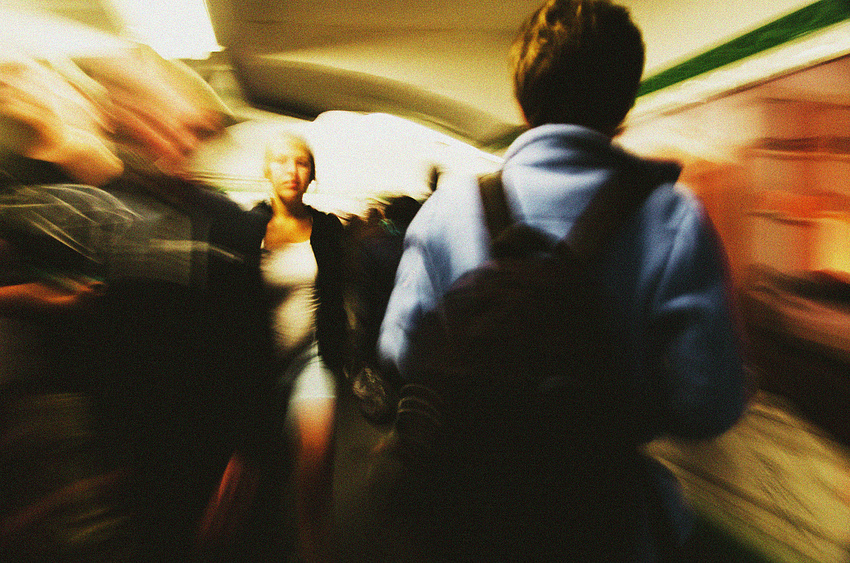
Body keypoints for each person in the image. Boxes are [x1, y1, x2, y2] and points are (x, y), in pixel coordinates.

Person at [377, 0, 746, 559]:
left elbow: (401, 354)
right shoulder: (672, 217)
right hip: (605, 526)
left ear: (523, 102)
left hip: (470, 519)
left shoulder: (447, 209)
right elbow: (707, 404)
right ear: (624, 104)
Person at [252, 131, 347, 563]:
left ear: (312, 174)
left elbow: (337, 293)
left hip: (314, 357)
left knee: (314, 473)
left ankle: (316, 547)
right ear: (266, 170)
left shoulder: (326, 227)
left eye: (302, 162)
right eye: (282, 161)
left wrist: (344, 356)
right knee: (264, 484)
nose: (291, 170)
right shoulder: (247, 227)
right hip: (260, 364)